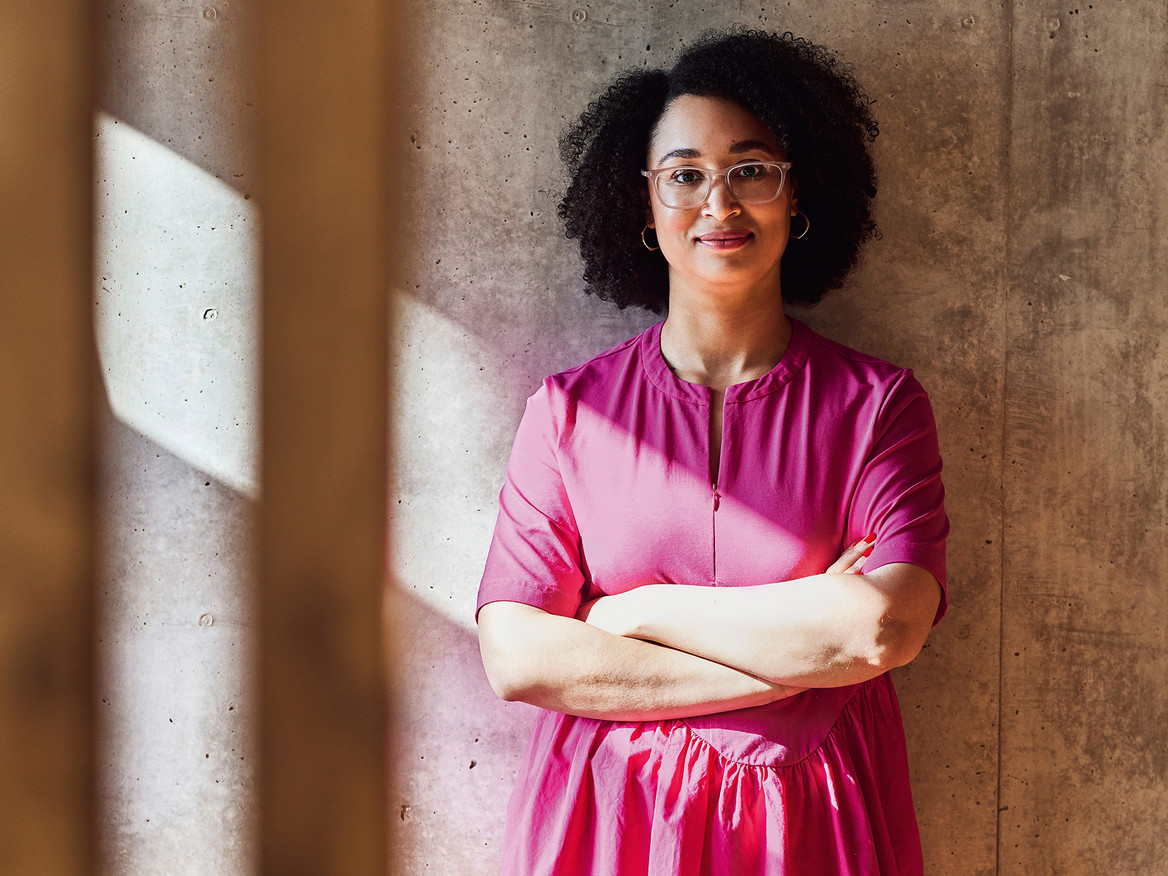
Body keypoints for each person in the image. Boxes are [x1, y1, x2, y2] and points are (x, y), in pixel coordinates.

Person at [476, 28, 948, 876]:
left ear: (798, 195)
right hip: (608, 824)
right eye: (686, 174)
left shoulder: (879, 407)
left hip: (811, 829)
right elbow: (519, 657)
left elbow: (881, 626)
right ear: (645, 207)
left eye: (752, 169)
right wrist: (802, 662)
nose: (719, 205)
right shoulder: (568, 414)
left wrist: (635, 614)